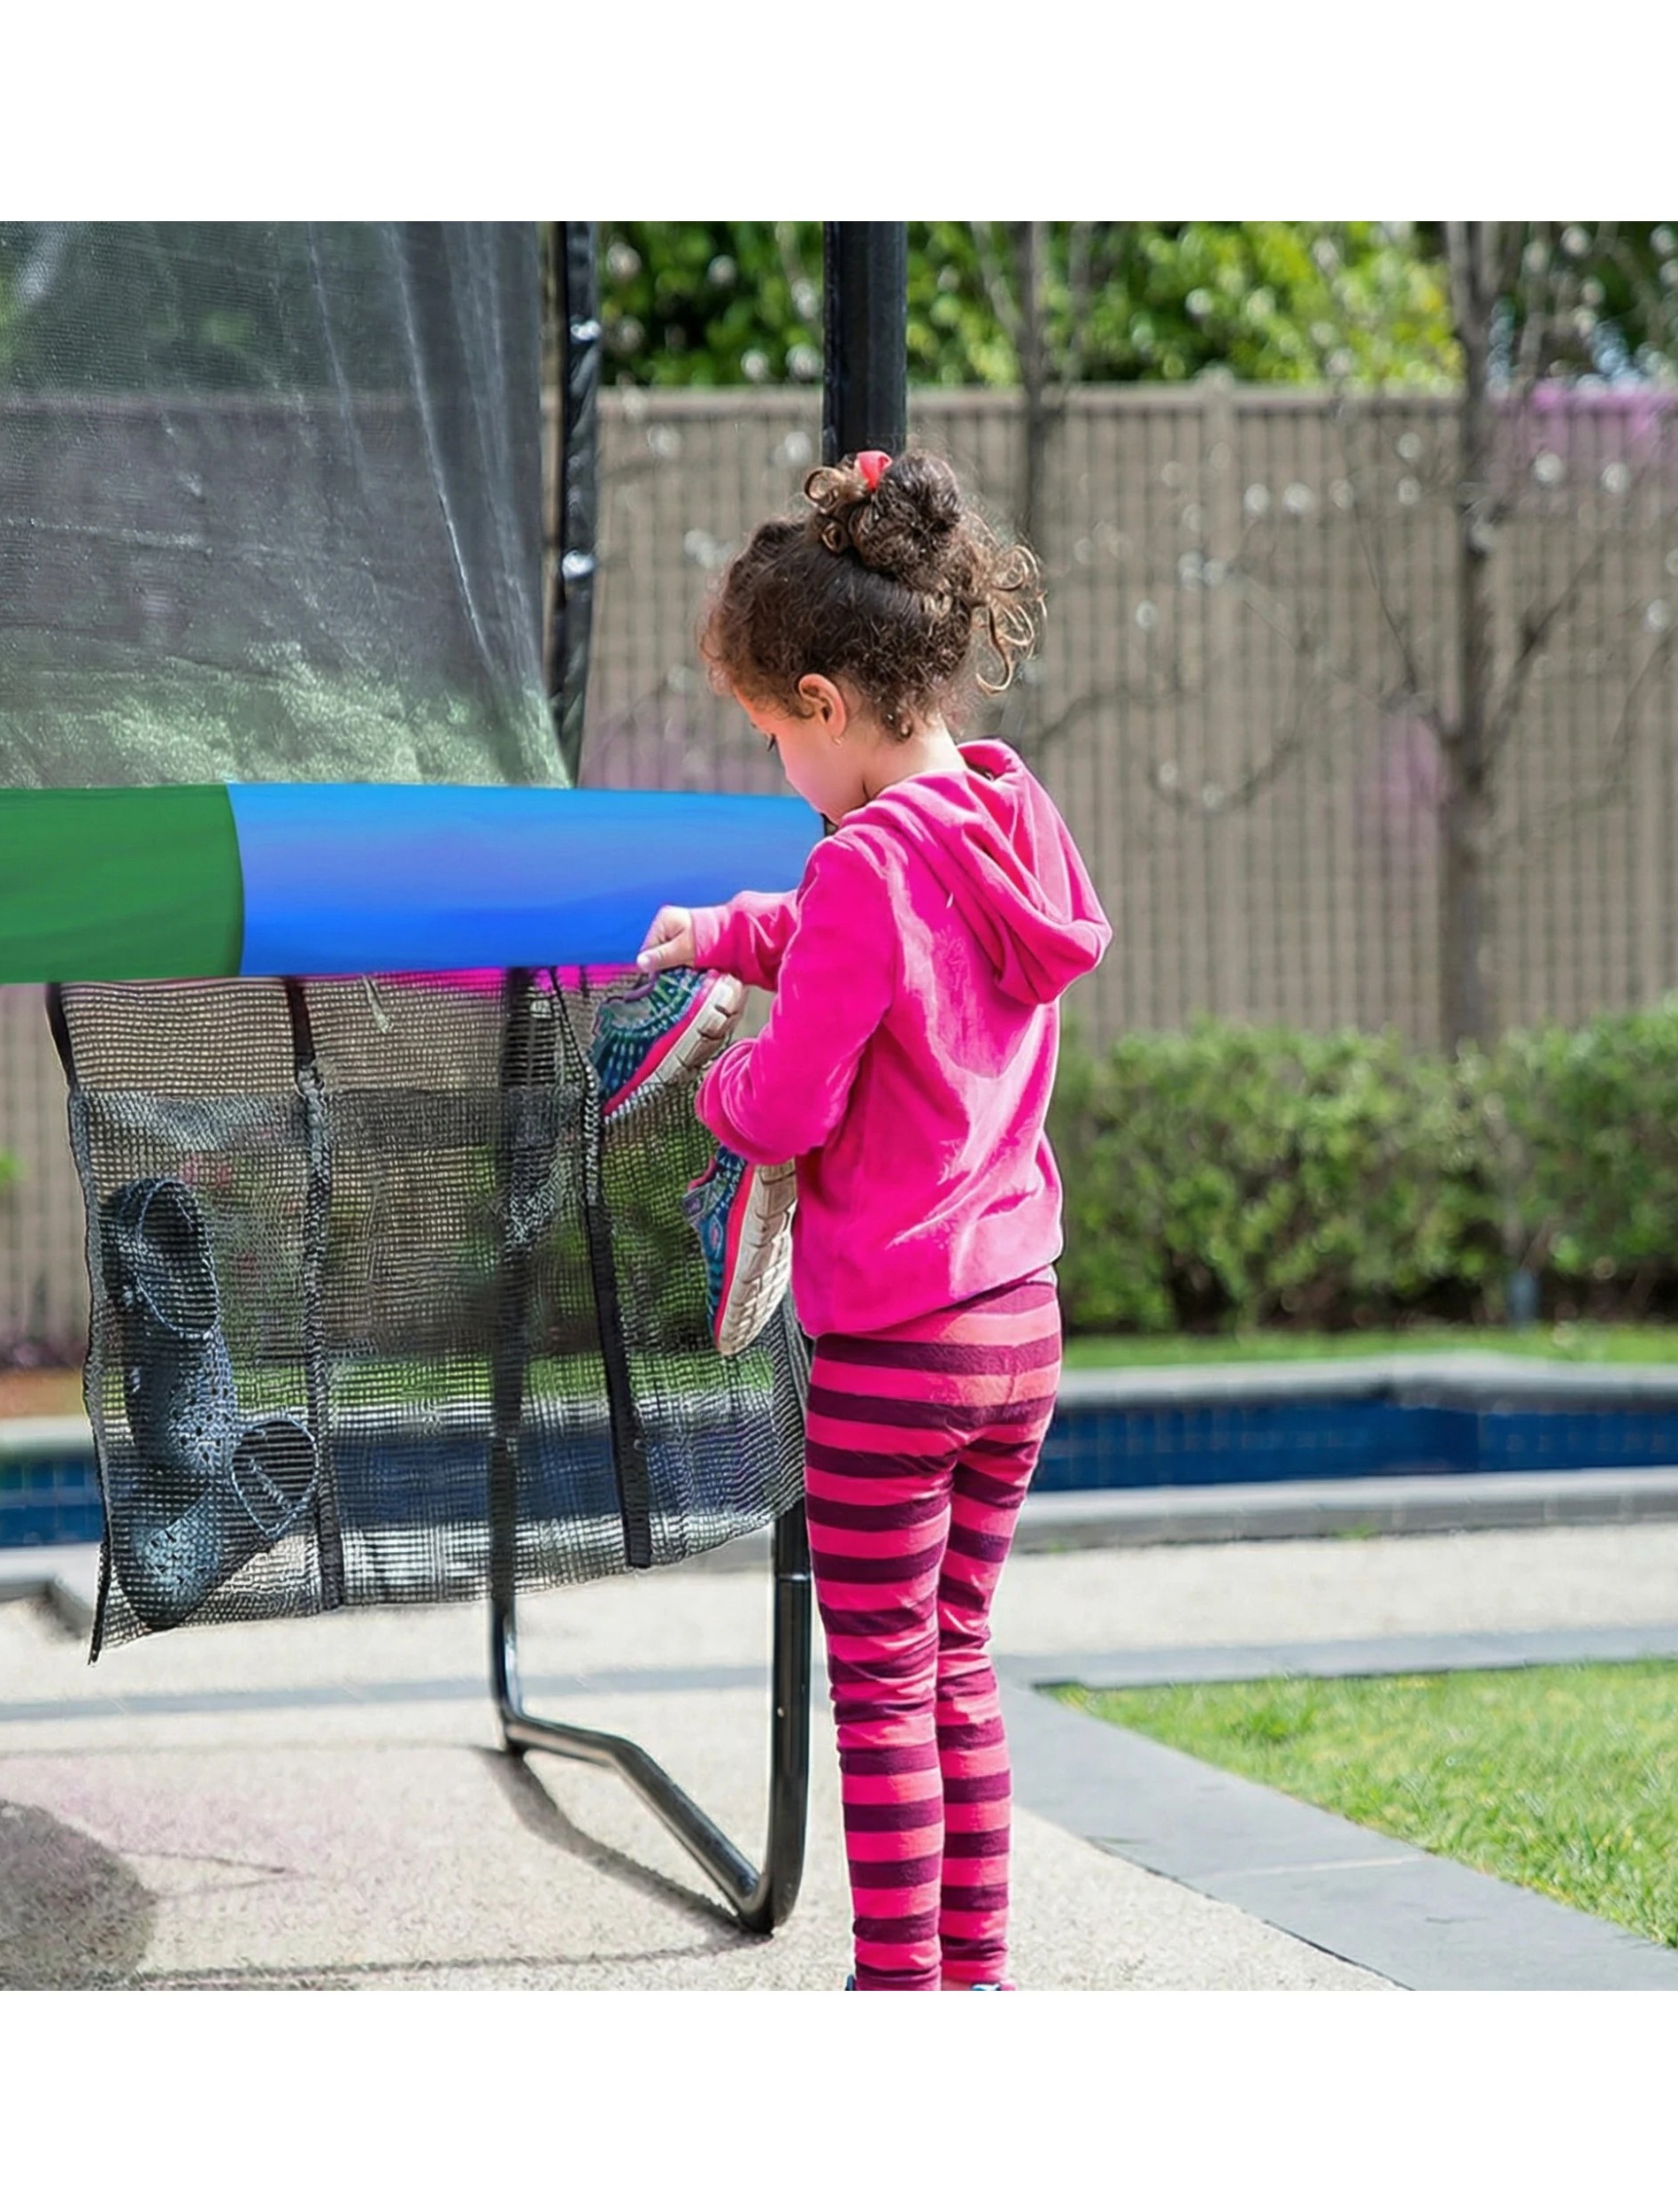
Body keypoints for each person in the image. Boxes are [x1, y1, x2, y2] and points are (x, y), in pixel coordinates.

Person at [615, 447, 1109, 1992]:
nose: (775, 763)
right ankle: (974, 1977)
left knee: (880, 1681)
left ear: (824, 704)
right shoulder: (1004, 816)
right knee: (958, 1661)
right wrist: (726, 926)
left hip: (895, 1340)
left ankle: (892, 1990)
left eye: (772, 734)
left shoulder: (861, 875)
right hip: (1019, 1324)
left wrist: (711, 1088)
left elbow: (792, 1102)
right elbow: (871, 922)